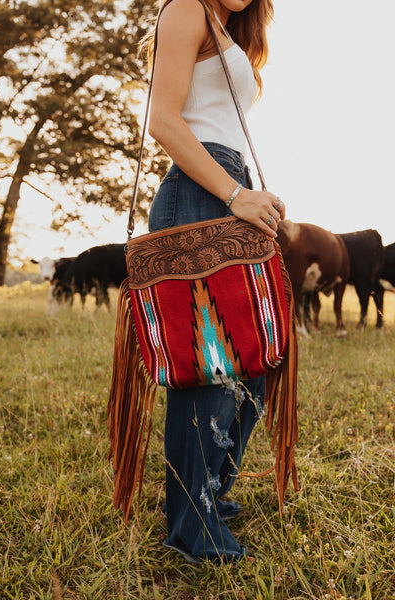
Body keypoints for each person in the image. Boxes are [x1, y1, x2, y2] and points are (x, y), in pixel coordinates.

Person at [144, 0, 285, 563]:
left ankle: (206, 493)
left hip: (231, 189)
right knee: (208, 367)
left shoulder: (231, 29)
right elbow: (163, 121)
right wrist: (233, 193)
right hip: (200, 194)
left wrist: (249, 192)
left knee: (256, 359)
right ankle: (191, 526)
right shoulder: (186, 8)